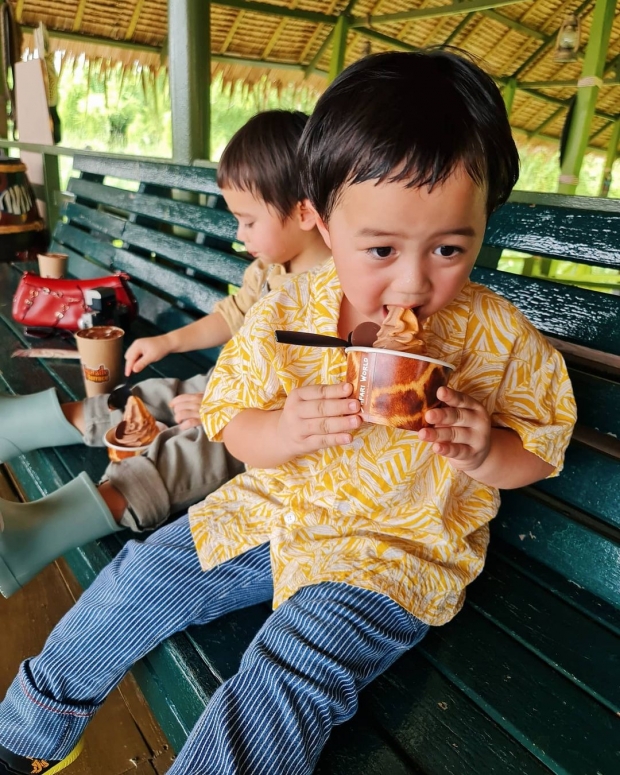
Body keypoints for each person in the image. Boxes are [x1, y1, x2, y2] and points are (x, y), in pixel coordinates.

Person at [0, 50, 576, 774]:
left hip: (387, 552)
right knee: (142, 574)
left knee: (286, 671)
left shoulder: (494, 334)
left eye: (450, 248)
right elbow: (232, 419)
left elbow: (542, 443)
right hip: (275, 507)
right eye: (381, 248)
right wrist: (281, 430)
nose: (414, 280)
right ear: (323, 222)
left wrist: (485, 449)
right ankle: (31, 726)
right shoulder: (289, 309)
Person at [0, 110, 330, 597]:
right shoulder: (269, 268)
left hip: (274, 433)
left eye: (248, 220)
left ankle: (49, 528)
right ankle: (25, 425)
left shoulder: (335, 293)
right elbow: (232, 316)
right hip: (232, 391)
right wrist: (168, 342)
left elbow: (314, 394)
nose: (240, 234)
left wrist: (226, 411)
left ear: (304, 210)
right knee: (153, 392)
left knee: (187, 452)